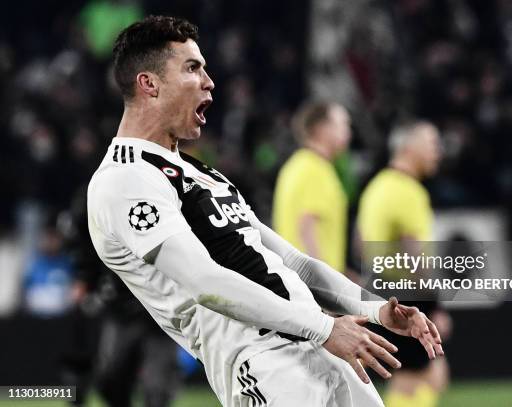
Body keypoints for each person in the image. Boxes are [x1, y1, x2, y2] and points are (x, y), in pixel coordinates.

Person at [87, 16, 443, 407]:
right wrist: (324, 328)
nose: (209, 82)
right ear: (148, 84)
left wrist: (375, 309)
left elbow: (293, 262)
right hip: (264, 364)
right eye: (192, 68)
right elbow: (206, 282)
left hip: (324, 343)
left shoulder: (203, 174)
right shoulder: (124, 179)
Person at [357, 121, 452, 407]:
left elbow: (360, 244)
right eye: (432, 143)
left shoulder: (376, 187)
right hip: (408, 297)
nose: (438, 151)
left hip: (380, 292)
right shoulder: (408, 191)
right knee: (424, 378)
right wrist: (435, 308)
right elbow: (415, 258)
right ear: (409, 147)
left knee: (407, 379)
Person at [272, 101, 350, 273]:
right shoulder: (315, 169)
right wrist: (326, 285)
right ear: (322, 128)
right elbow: (306, 229)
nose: (348, 132)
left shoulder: (296, 165)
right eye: (343, 124)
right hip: (313, 288)